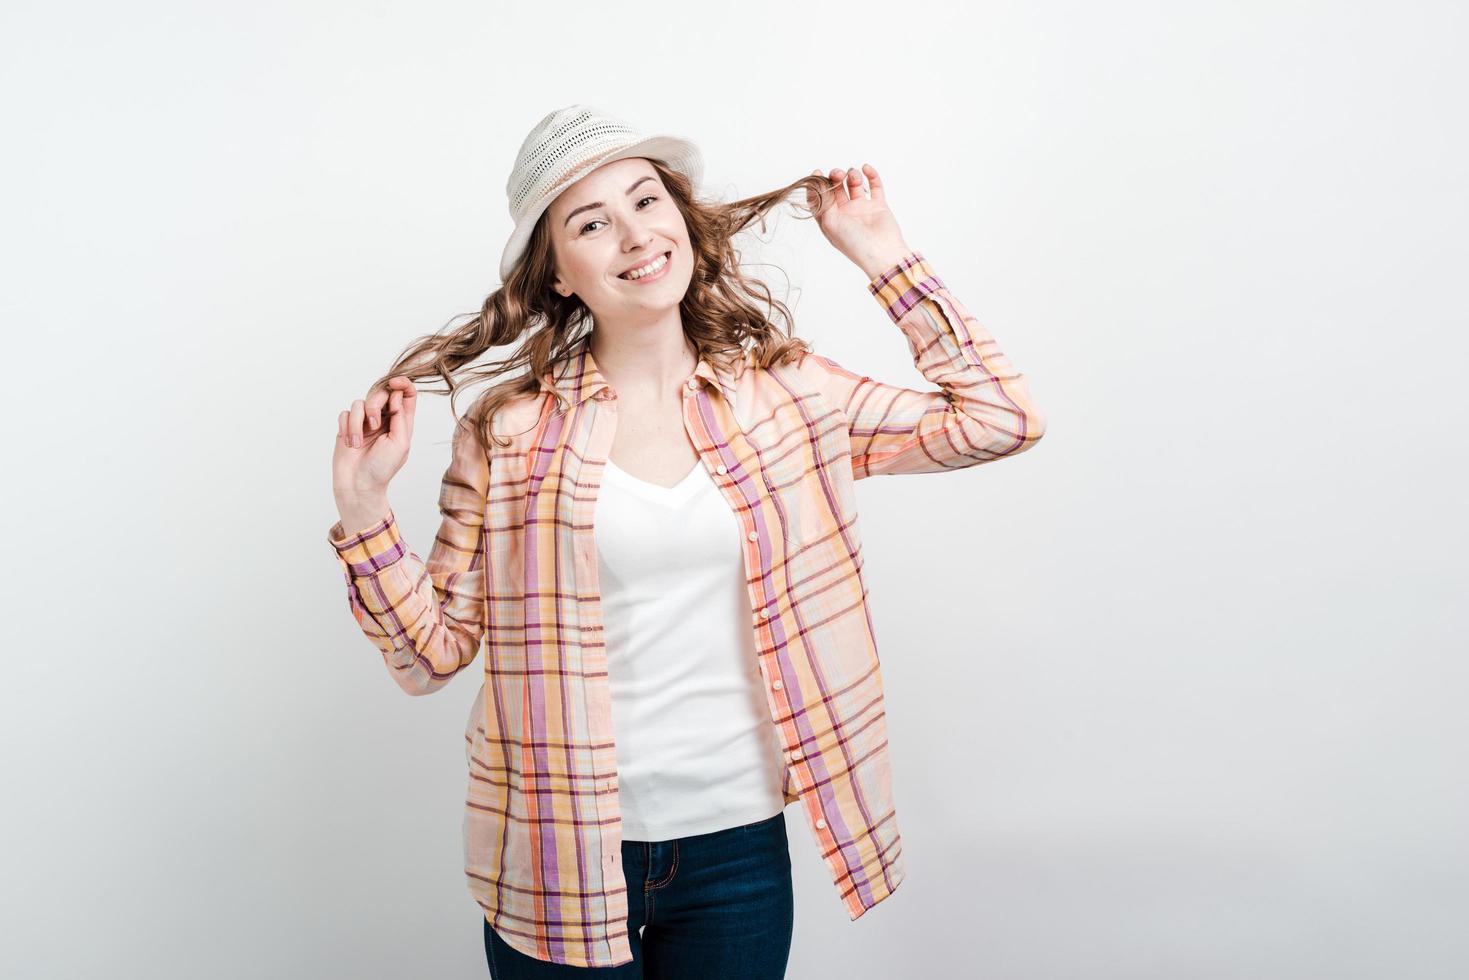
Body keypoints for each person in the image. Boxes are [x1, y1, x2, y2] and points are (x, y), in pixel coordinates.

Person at [327, 105, 1047, 978]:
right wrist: (365, 509)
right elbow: (427, 657)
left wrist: (881, 254)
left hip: (736, 850)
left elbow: (999, 420)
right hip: (560, 855)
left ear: (682, 221)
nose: (635, 236)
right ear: (557, 274)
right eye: (591, 223)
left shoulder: (788, 397)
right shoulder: (511, 433)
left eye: (646, 201)